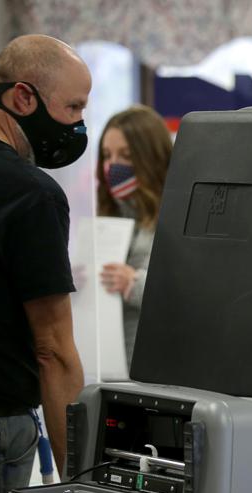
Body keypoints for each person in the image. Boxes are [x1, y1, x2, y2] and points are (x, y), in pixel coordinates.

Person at [0, 34, 89, 493]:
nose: (78, 124)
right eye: (72, 107)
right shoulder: (31, 194)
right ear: (23, 99)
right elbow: (53, 348)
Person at [95, 105, 172, 364]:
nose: (112, 166)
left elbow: (197, 296)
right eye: (107, 156)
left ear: (151, 157)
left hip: (161, 368)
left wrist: (134, 283)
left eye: (126, 156)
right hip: (112, 367)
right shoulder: (108, 215)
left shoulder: (179, 217)